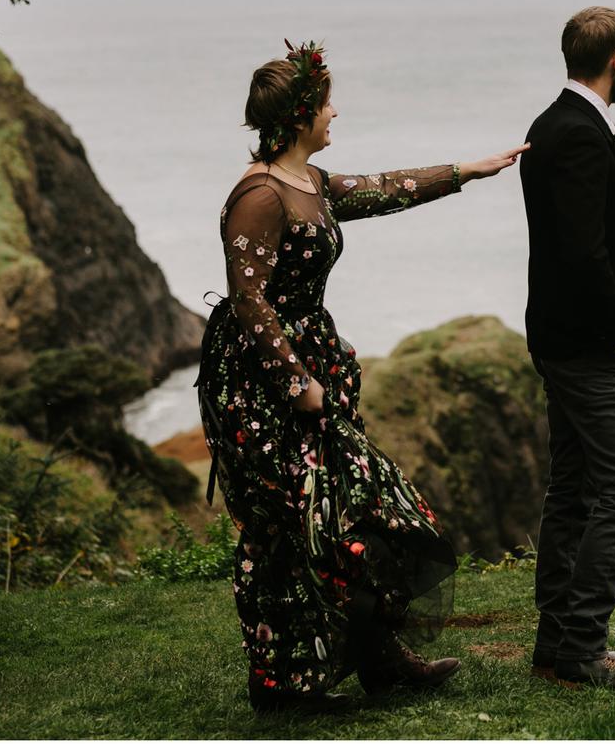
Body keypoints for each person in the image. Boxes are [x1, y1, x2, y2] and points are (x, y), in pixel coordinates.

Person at [195, 39, 528, 714]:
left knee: (358, 509)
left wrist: (469, 169)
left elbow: (384, 188)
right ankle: (282, 685)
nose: (335, 114)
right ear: (299, 117)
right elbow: (249, 303)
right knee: (287, 525)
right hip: (260, 387)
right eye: (325, 105)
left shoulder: (309, 184)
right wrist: (297, 383)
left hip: (309, 368)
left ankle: (379, 657)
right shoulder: (258, 196)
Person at [519, 7, 615, 692]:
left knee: (573, 489)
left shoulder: (555, 123)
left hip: (558, 337)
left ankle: (556, 641)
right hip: (586, 343)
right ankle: (582, 648)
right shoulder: (575, 132)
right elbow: (582, 251)